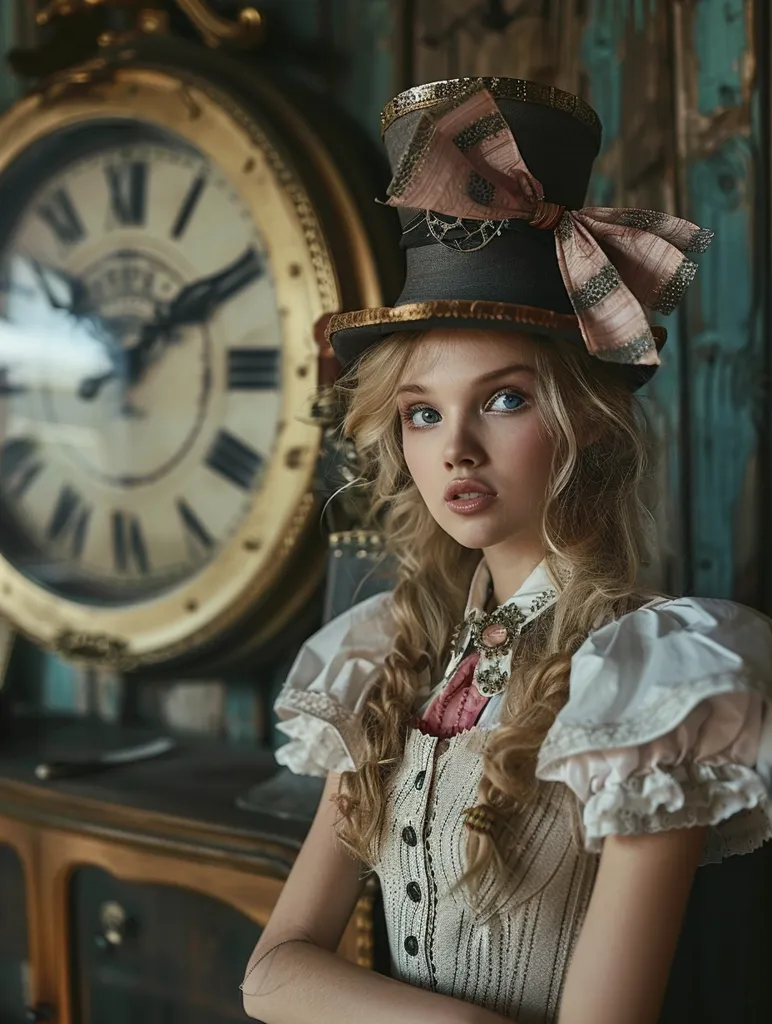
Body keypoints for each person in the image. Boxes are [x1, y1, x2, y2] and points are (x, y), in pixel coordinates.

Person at [240, 77, 772, 1024]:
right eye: (421, 413)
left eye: (505, 398)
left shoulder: (653, 686)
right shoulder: (386, 659)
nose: (455, 449)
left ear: (590, 426)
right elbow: (271, 972)